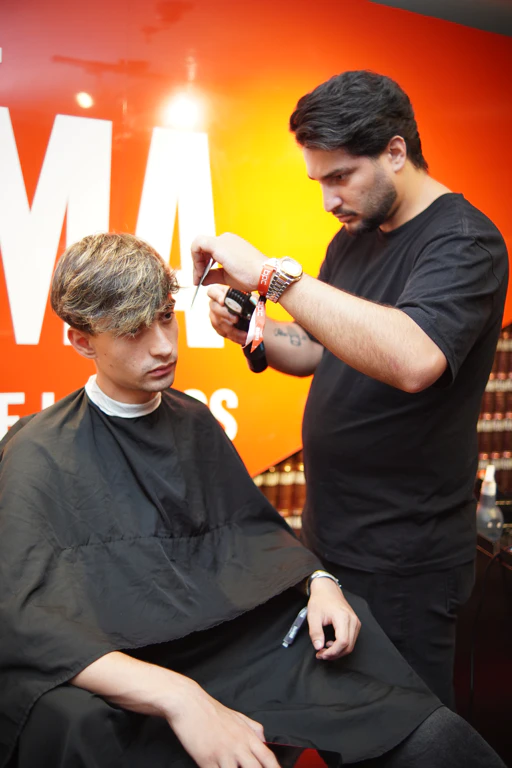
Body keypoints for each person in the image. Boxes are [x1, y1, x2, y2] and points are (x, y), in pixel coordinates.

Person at [0, 233, 505, 768]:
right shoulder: (36, 450)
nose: (164, 346)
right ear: (82, 342)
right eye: (132, 331)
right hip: (129, 664)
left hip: (231, 643)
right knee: (71, 721)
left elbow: (251, 533)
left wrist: (319, 582)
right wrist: (179, 696)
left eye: (166, 317)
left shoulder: (193, 421)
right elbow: (26, 619)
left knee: (408, 718)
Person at [192, 70, 509, 709]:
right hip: (332, 539)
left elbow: (414, 357)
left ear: (395, 152)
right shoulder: (354, 237)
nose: (328, 200)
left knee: (402, 735)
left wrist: (273, 278)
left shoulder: (465, 241)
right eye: (319, 181)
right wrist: (254, 329)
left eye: (340, 177)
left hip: (406, 559)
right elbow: (317, 350)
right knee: (341, 721)